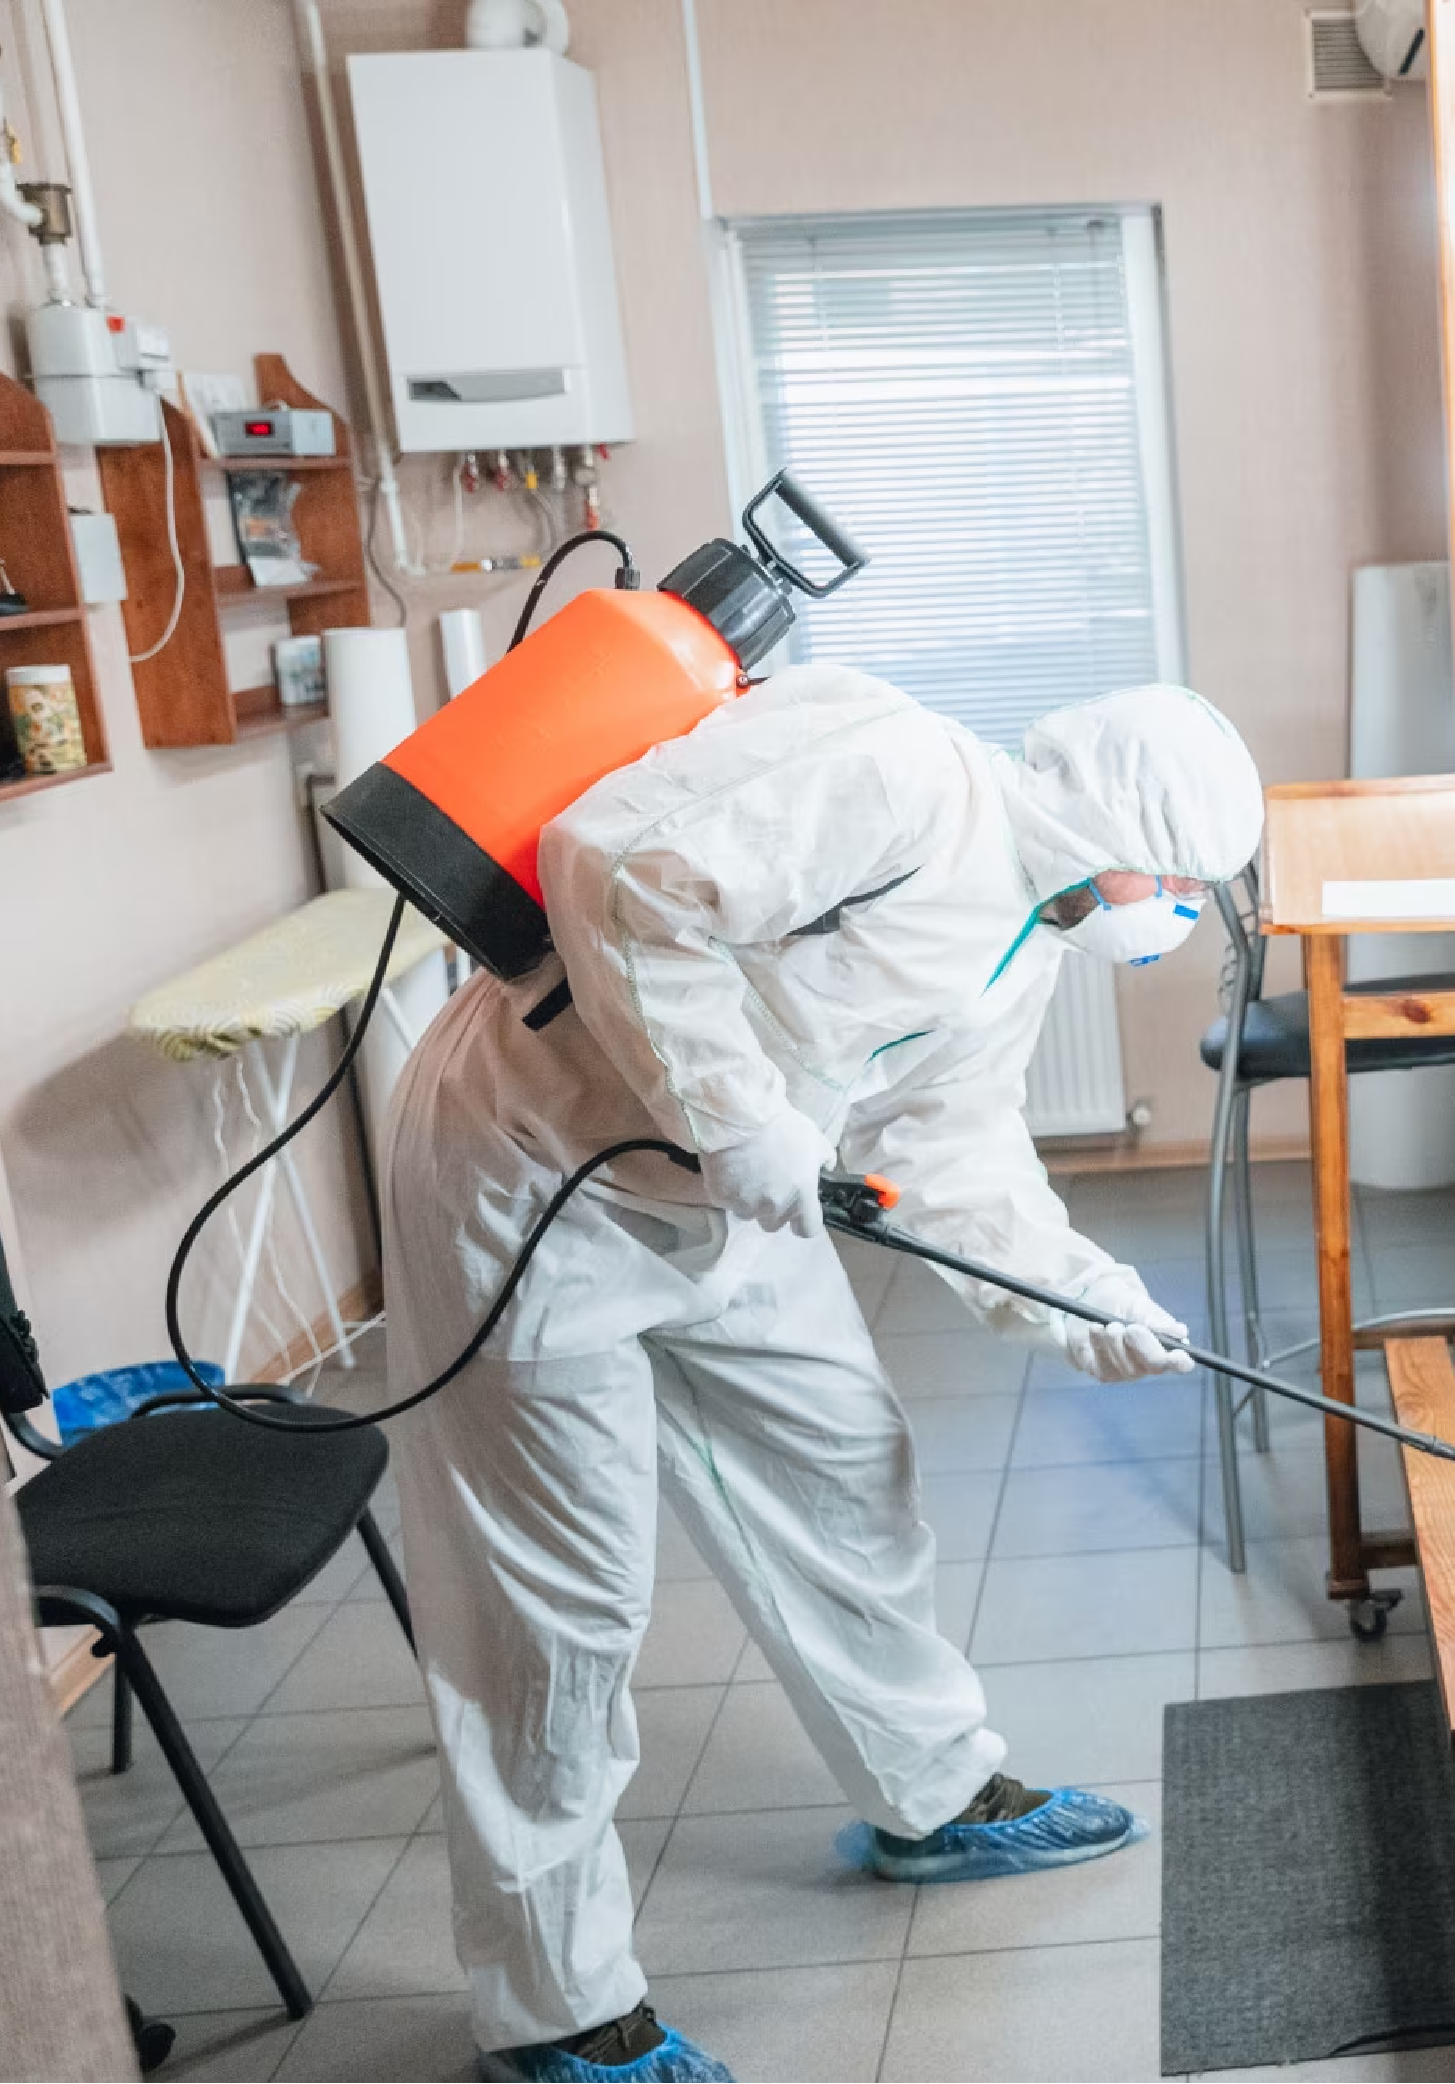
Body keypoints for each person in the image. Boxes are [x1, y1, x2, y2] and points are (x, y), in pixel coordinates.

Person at [382, 672, 1264, 2083]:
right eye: (1175, 883)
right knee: (557, 1610)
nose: (1172, 917)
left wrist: (1085, 1299)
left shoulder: (1023, 942)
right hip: (534, 1175)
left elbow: (955, 1157)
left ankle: (933, 1795)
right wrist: (739, 1119)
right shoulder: (901, 771)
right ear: (1116, 826)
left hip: (727, 1202)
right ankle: (557, 2011)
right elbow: (615, 867)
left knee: (849, 1471)